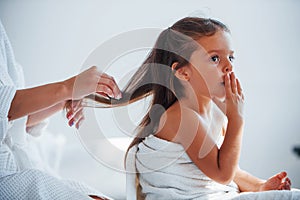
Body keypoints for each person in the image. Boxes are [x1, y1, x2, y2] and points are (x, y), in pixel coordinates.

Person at [89, 17, 300, 199]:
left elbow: (231, 171)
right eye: (215, 58)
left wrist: (260, 186)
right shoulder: (182, 117)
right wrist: (237, 119)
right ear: (182, 73)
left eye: (231, 57)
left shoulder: (216, 114)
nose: (228, 66)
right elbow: (222, 174)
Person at [0, 20, 121, 200]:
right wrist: (65, 88)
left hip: (29, 155)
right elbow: (6, 108)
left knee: (118, 158)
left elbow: (14, 122)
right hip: (10, 174)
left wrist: (63, 99)